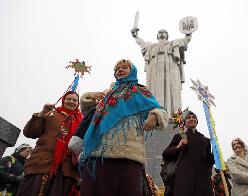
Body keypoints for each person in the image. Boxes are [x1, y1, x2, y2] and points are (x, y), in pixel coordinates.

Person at [69, 59, 169, 196]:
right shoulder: (108, 93)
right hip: (98, 153)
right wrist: (88, 98)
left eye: (124, 67)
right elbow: (90, 115)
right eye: (117, 69)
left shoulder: (139, 91)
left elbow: (160, 110)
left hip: (128, 154)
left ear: (132, 71)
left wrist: (155, 116)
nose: (120, 70)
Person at [16, 91, 83, 196]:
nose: (71, 101)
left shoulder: (82, 121)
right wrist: (42, 113)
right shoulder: (51, 113)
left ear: (78, 103)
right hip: (43, 163)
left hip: (67, 169)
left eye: (75, 100)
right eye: (68, 99)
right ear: (63, 100)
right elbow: (30, 132)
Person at [131, 28, 192, 114]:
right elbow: (142, 43)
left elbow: (185, 41)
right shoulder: (151, 46)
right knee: (152, 92)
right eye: (159, 32)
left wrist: (188, 33)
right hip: (154, 72)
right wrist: (136, 36)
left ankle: (172, 115)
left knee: (172, 90)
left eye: (164, 32)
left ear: (167, 35)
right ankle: (154, 116)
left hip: (171, 68)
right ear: (157, 36)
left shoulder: (173, 43)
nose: (161, 33)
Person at [162, 110, 215, 196]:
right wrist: (179, 146)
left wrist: (215, 154)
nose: (191, 119)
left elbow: (209, 162)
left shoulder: (206, 140)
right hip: (184, 179)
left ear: (197, 121)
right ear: (184, 122)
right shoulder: (179, 137)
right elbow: (165, 154)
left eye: (194, 117)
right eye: (188, 118)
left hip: (203, 181)